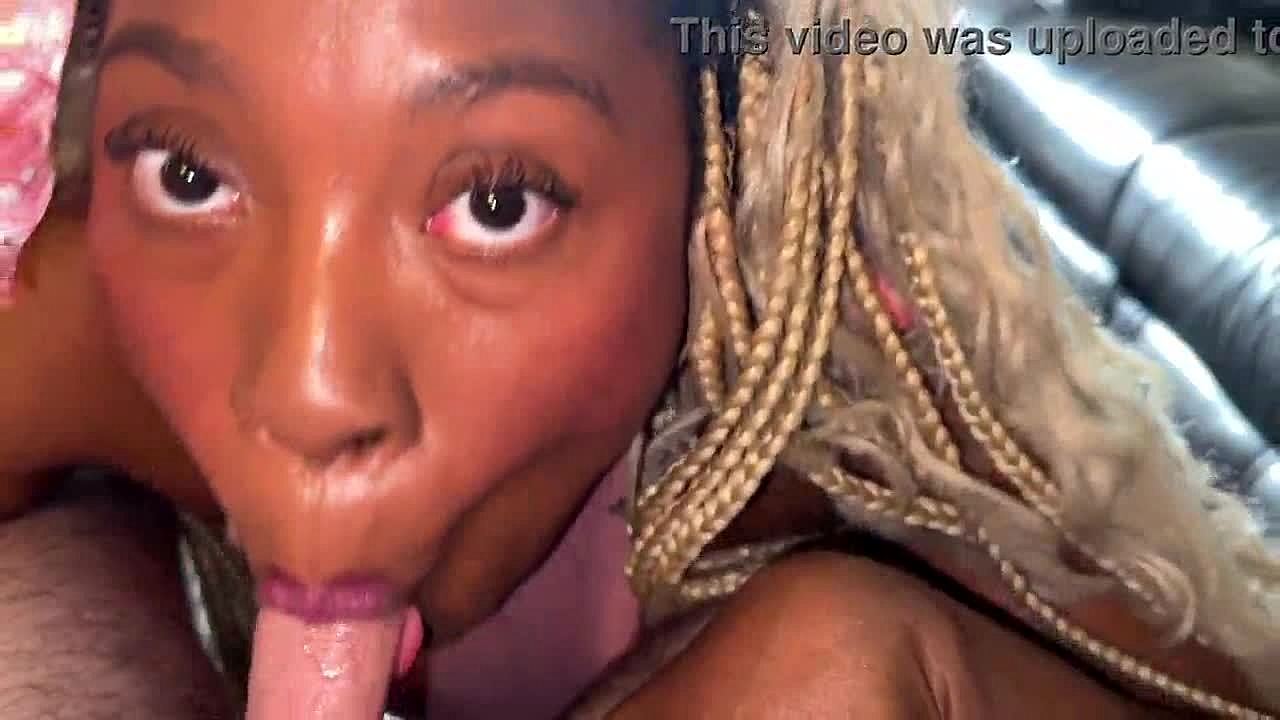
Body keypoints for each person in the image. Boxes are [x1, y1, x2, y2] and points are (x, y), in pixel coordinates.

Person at [2, 0, 1278, 717]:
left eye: (496, 202)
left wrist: (863, 659)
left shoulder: (852, 449)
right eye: (192, 174)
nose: (308, 387)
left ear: (716, 163)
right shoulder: (94, 321)